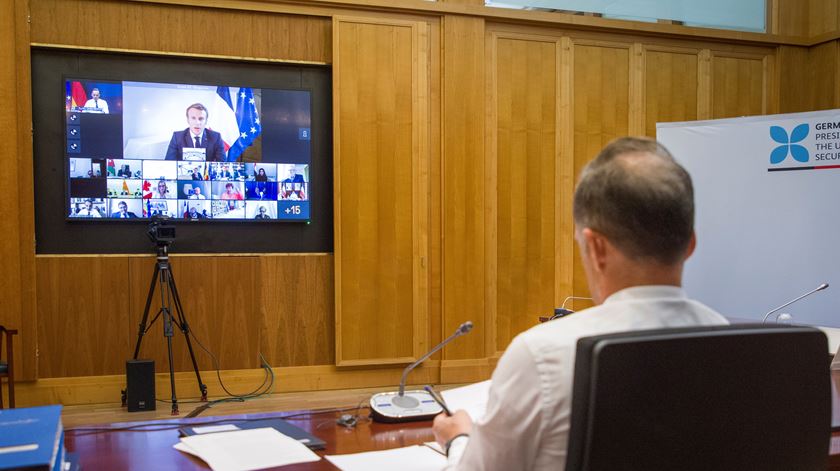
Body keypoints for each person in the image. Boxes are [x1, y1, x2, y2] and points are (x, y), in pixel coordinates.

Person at [432, 137, 729, 470]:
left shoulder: (542, 354)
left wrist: (459, 439)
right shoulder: (733, 347)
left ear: (596, 248)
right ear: (690, 244)